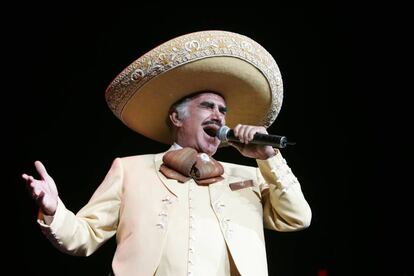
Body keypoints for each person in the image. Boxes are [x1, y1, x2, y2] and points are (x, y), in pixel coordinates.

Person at [22, 30, 311, 276]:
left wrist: (269, 158)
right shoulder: (130, 170)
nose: (219, 117)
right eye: (208, 106)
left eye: (223, 111)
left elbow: (297, 218)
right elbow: (84, 236)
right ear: (176, 117)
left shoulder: (249, 175)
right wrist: (54, 210)